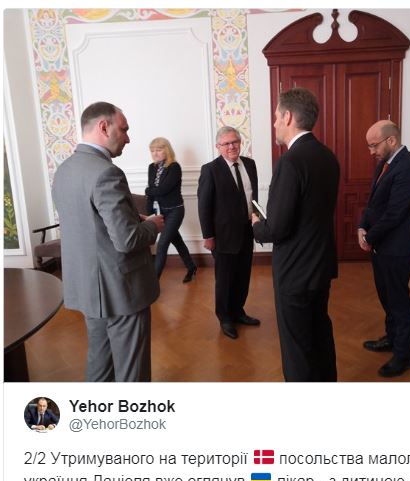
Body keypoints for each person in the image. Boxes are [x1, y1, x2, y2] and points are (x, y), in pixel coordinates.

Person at [52, 101, 164, 382]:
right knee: (132, 373)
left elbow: (90, 225)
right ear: (104, 127)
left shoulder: (64, 170)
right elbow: (127, 240)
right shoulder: (107, 172)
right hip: (121, 290)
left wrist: (132, 218)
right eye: (124, 129)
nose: (128, 138)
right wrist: (152, 225)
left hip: (88, 288)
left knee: (100, 366)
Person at [252, 88, 340, 381]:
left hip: (295, 271)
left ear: (288, 117)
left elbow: (277, 228)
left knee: (297, 348)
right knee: (320, 335)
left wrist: (256, 224)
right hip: (320, 265)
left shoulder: (290, 162)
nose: (274, 123)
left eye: (276, 117)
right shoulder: (328, 157)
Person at [358, 119, 410, 377]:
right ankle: (392, 338)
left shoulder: (409, 168)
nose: (371, 151)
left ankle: (403, 355)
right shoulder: (385, 164)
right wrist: (362, 226)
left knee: (399, 301)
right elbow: (374, 203)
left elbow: (395, 213)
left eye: (374, 145)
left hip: (396, 248)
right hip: (381, 247)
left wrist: (370, 238)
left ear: (392, 140)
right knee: (387, 297)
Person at [197, 126, 260, 339]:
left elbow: (253, 198)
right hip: (223, 236)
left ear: (240, 143)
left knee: (243, 276)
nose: (232, 146)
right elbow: (204, 206)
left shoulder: (250, 164)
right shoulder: (210, 170)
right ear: (218, 146)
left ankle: (238, 311)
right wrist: (208, 236)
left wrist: (258, 222)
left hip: (247, 231)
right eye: (226, 143)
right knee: (225, 279)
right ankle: (225, 317)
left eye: (235, 142)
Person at [145, 137, 197, 283]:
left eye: (158, 150)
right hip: (160, 212)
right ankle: (191, 267)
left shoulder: (174, 167)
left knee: (162, 244)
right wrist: (149, 214)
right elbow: (152, 193)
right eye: (152, 150)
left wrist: (149, 190)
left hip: (175, 211)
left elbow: (163, 190)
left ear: (166, 150)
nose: (155, 153)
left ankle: (153, 284)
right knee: (177, 241)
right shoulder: (151, 167)